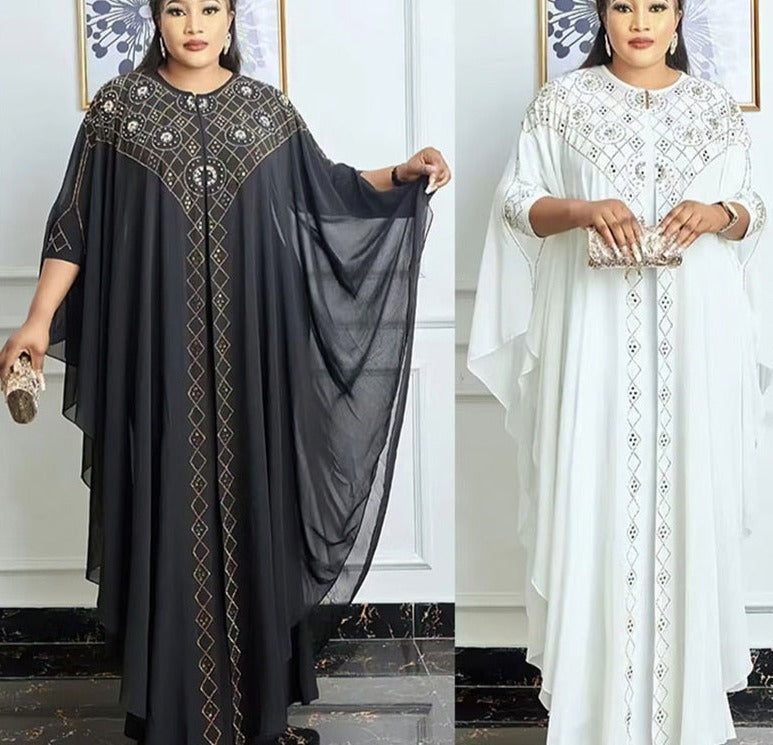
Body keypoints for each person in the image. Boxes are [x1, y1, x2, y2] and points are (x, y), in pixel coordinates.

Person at [0, 1, 451, 743]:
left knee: (251, 504)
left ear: (233, 18)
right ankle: (173, 710)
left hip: (253, 355)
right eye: (178, 8)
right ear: (156, 19)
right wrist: (38, 319)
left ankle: (252, 712)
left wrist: (400, 173)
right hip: (156, 357)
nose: (195, 24)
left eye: (211, 7)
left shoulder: (265, 112)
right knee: (167, 506)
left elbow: (325, 189)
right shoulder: (118, 112)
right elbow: (72, 226)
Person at [467, 1, 768, 743]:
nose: (640, 21)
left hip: (696, 339)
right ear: (602, 16)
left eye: (657, 5)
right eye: (623, 5)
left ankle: (687, 721)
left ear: (678, 18)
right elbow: (515, 204)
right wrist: (580, 209)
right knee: (594, 488)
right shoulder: (561, 104)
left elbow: (753, 208)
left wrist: (719, 213)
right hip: (592, 341)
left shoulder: (712, 107)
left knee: (688, 494)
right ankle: (595, 719)